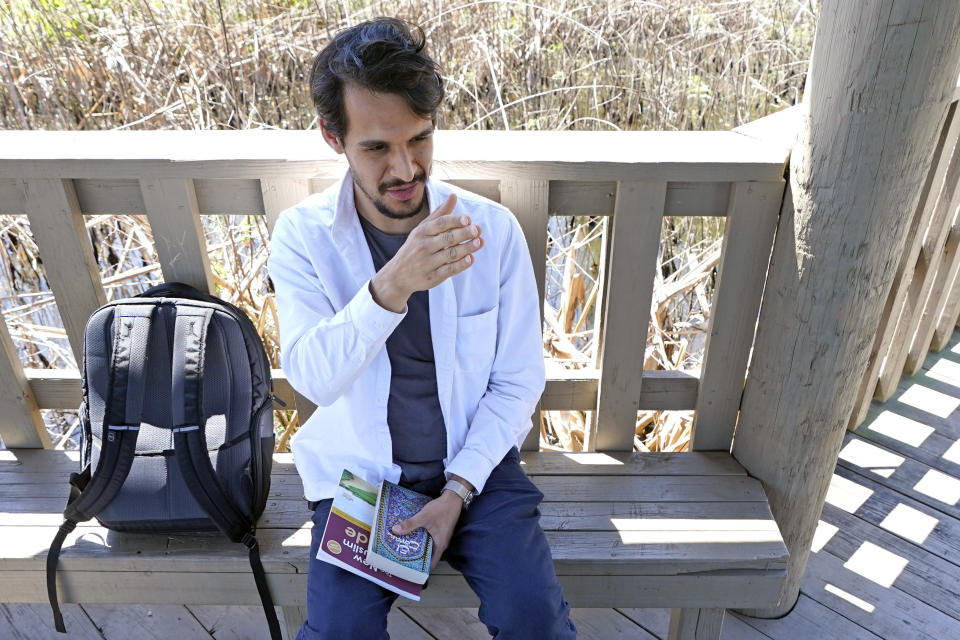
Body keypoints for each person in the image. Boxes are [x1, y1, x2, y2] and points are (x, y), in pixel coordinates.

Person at [267, 17, 576, 640]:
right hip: (362, 476)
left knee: (535, 622)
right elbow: (313, 378)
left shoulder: (490, 231)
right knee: (338, 634)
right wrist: (391, 287)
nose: (406, 169)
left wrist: (458, 491)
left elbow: (517, 383)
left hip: (477, 469)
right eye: (377, 147)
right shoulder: (303, 238)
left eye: (420, 140)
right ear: (334, 138)